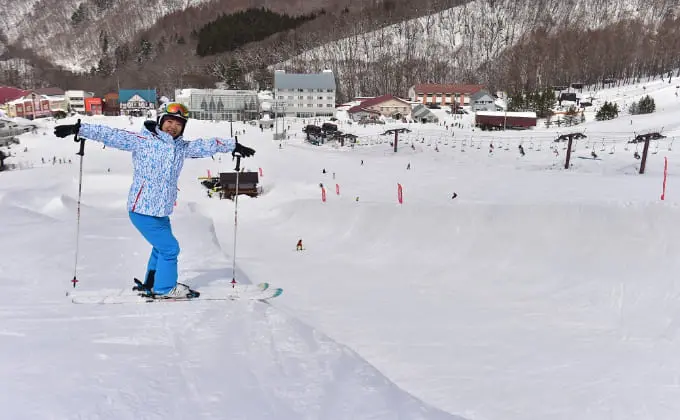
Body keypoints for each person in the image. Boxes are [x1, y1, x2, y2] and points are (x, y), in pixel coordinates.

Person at [54, 102, 255, 298]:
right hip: (142, 209)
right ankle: (165, 288)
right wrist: (79, 128)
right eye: (169, 121)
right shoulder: (143, 140)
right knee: (170, 249)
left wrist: (233, 145)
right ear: (160, 121)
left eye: (178, 124)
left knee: (161, 248)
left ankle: (151, 282)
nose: (172, 127)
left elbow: (205, 145)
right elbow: (112, 135)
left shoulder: (181, 148)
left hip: (161, 210)